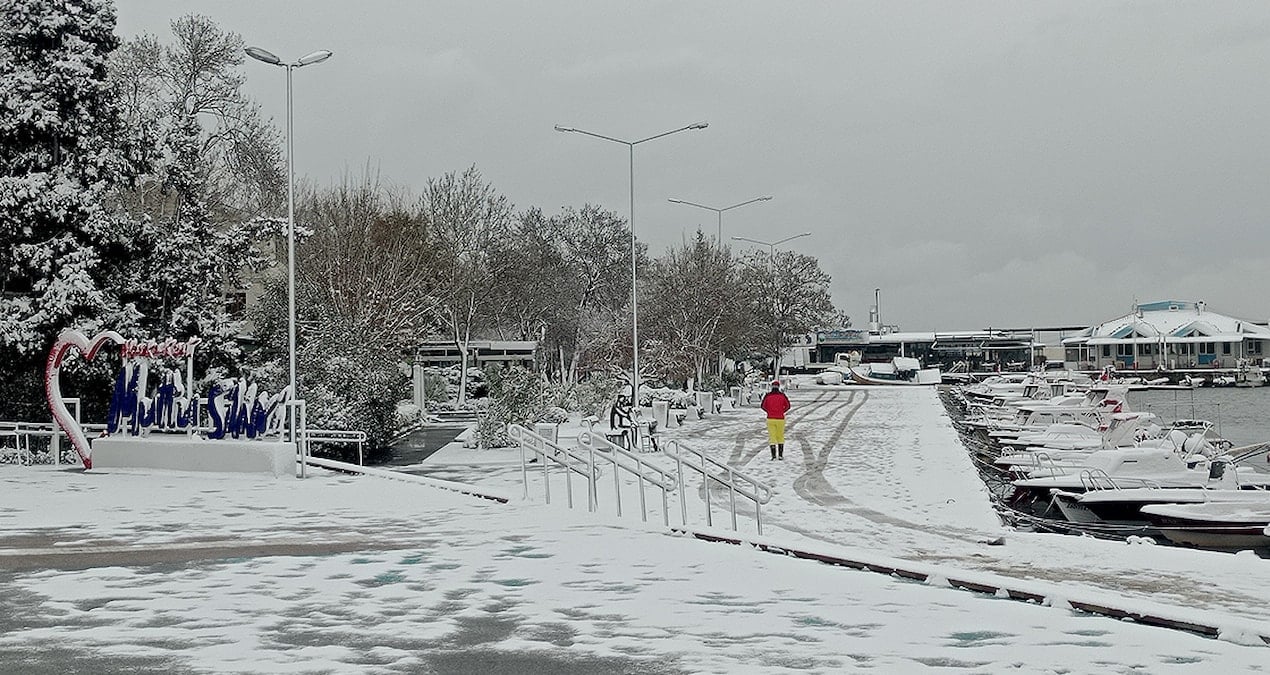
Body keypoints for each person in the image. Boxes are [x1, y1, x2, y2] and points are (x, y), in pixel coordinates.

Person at [760, 379, 791, 460]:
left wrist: (769, 411)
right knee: (780, 436)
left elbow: (763, 406)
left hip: (770, 418)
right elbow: (788, 406)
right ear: (778, 387)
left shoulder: (767, 396)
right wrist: (782, 411)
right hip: (780, 418)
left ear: (771, 387)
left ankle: (773, 456)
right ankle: (780, 455)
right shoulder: (782, 396)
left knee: (772, 436)